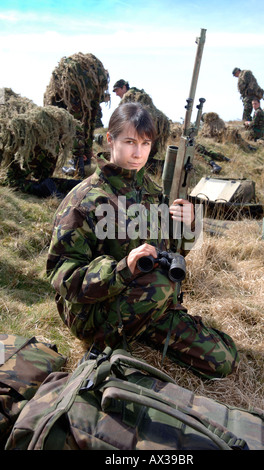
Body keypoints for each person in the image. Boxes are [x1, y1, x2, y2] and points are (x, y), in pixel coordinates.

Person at [46, 102, 239, 380]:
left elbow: (169, 252)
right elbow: (63, 277)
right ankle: (108, 343)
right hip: (92, 311)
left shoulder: (149, 192)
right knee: (160, 285)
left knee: (224, 360)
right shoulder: (83, 199)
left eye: (145, 144)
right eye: (129, 142)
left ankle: (142, 326)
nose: (138, 153)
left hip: (148, 301)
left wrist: (189, 225)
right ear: (110, 140)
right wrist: (123, 267)